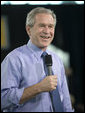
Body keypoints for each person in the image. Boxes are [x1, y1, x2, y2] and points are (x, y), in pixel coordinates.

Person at [1, 7, 74, 112]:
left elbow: (65, 99)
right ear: (28, 29)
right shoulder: (14, 59)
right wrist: (38, 88)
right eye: (42, 26)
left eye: (50, 26)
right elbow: (3, 99)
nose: (47, 31)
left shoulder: (57, 59)